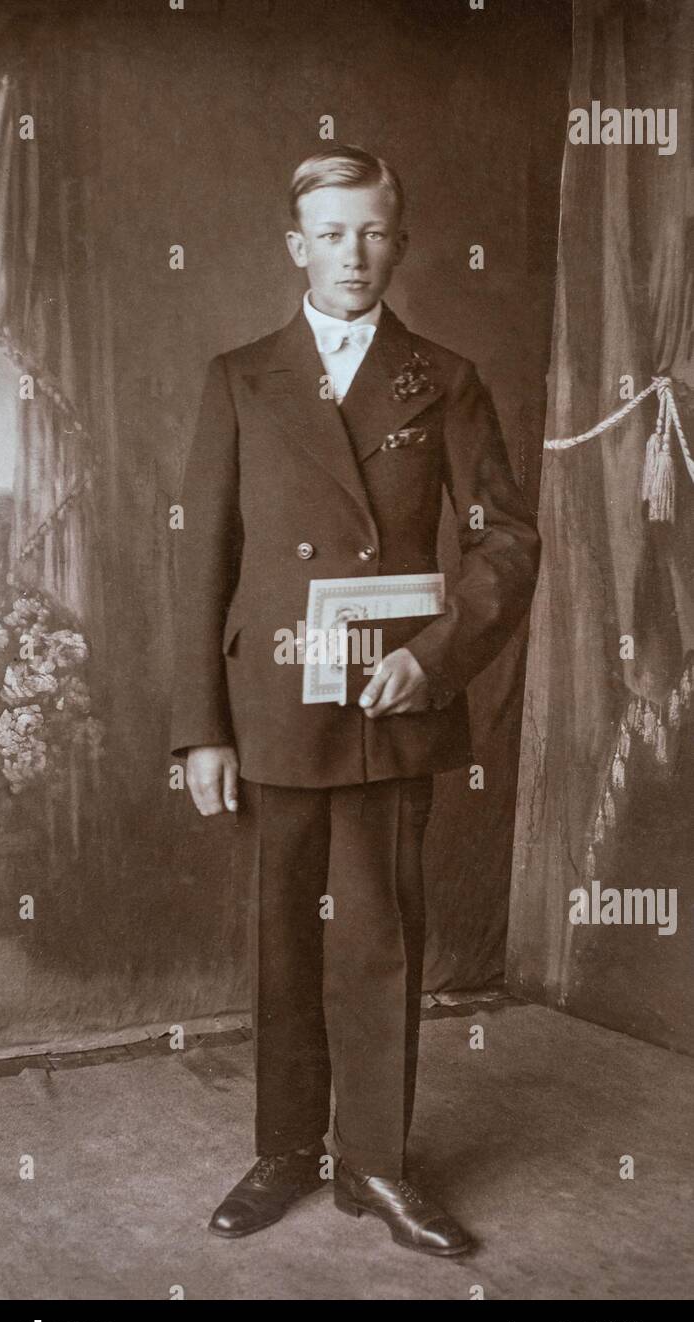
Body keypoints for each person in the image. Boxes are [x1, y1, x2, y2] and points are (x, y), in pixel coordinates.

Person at [171, 145, 540, 1258]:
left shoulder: (447, 377)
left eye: (374, 230)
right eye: (331, 233)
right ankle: (286, 1147)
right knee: (286, 937)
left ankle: (374, 1162)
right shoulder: (239, 375)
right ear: (297, 246)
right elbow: (202, 564)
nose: (354, 253)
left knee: (377, 941)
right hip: (276, 699)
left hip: (391, 699)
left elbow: (503, 541)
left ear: (401, 241)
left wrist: (434, 658)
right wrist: (199, 727)